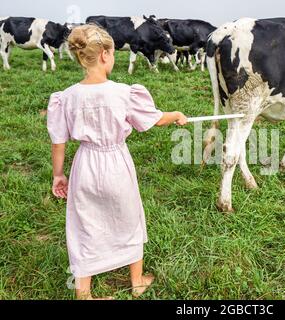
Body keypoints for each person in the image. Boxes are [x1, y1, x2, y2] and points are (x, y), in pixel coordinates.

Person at [46, 24, 188, 300]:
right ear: (105, 54)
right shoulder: (123, 93)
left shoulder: (66, 97)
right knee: (129, 219)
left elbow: (58, 141)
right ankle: (137, 282)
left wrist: (58, 175)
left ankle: (83, 294)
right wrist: (176, 115)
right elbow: (155, 119)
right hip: (116, 163)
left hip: (85, 165)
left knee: (83, 225)